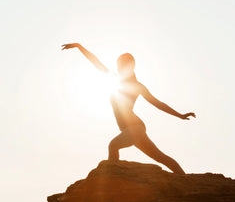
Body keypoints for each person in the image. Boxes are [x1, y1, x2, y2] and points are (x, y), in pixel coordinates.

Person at [61, 43, 195, 174]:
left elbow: (157, 103)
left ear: (131, 66)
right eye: (118, 65)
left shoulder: (137, 86)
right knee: (160, 157)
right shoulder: (113, 79)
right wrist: (79, 46)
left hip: (135, 127)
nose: (119, 67)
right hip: (129, 129)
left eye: (122, 64)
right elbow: (95, 61)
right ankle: (184, 177)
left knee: (113, 146)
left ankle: (111, 178)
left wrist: (180, 115)